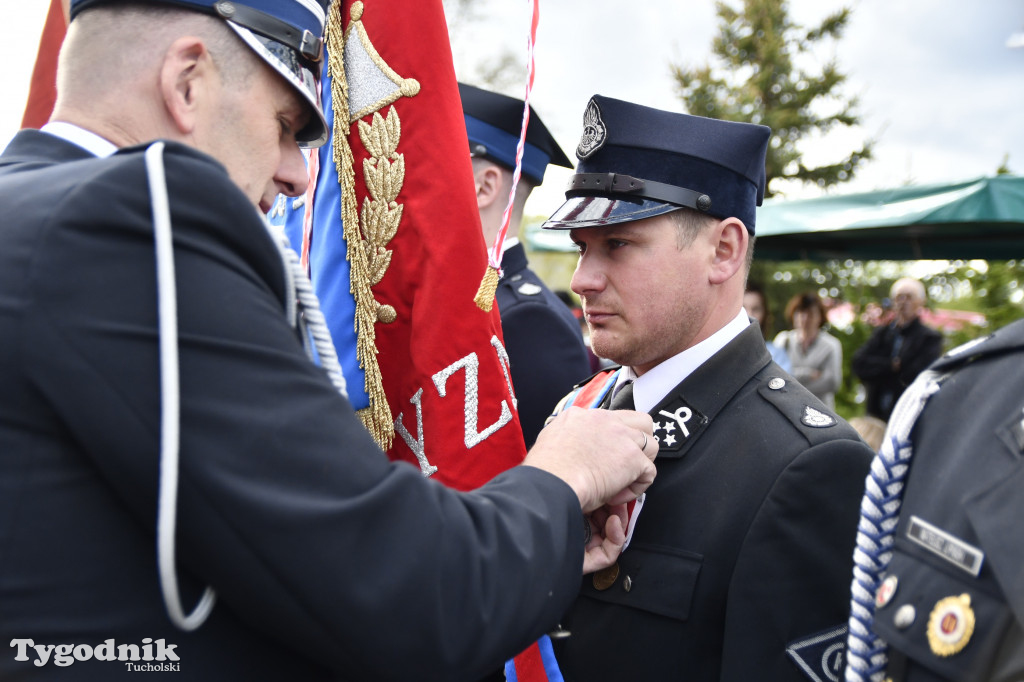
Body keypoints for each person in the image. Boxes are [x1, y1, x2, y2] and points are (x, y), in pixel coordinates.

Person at [0, 3, 659, 679]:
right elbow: (407, 595)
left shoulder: (28, 205)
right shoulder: (138, 224)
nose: (299, 175)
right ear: (187, 82)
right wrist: (560, 477)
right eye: (287, 127)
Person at [539, 94, 875, 681]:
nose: (581, 280)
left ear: (724, 250)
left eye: (618, 244)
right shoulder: (582, 410)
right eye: (582, 247)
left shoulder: (807, 464)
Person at [844, 318, 1024, 681]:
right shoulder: (963, 390)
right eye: (898, 299)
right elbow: (863, 363)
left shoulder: (942, 361)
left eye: (909, 299)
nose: (902, 306)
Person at [459, 82, 592, 447]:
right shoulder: (460, 294)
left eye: (435, 165)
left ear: (483, 187)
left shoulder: (531, 320)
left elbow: (544, 484)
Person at [851, 277, 944, 421]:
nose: (903, 301)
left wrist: (880, 371)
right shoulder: (882, 334)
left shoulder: (929, 338)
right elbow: (859, 364)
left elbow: (917, 374)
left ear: (920, 302)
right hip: (876, 412)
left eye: (909, 297)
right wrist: (890, 365)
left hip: (909, 413)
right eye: (899, 297)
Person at [775, 291, 843, 408]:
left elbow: (832, 382)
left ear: (820, 317)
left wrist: (792, 381)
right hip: (788, 408)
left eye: (810, 314)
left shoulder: (831, 345)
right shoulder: (784, 340)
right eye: (800, 313)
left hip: (820, 411)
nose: (805, 319)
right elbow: (775, 375)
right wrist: (808, 373)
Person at [744, 282, 792, 373]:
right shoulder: (722, 351)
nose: (749, 314)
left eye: (756, 309)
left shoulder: (776, 355)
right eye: (743, 308)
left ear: (765, 314)